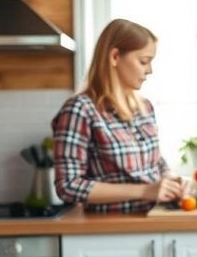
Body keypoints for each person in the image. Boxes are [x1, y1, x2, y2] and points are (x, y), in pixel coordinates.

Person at [52, 18, 185, 213]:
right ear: (114, 57)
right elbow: (68, 186)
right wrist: (144, 191)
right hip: (112, 231)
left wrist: (171, 181)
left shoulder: (144, 107)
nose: (150, 70)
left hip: (154, 220)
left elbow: (156, 162)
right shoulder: (80, 109)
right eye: (144, 61)